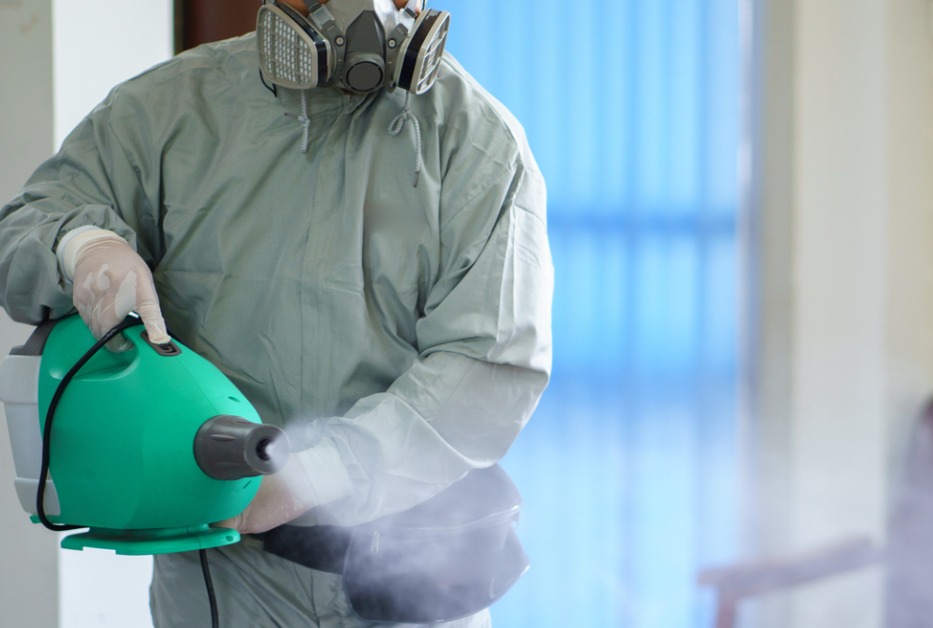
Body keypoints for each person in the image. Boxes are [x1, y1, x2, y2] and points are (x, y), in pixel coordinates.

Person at [0, 0, 552, 625]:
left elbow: (490, 367)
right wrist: (82, 245)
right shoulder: (167, 111)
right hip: (222, 579)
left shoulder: (476, 141)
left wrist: (317, 473)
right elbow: (28, 221)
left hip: (409, 578)